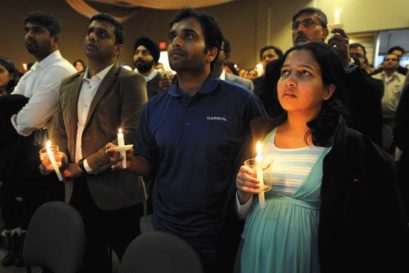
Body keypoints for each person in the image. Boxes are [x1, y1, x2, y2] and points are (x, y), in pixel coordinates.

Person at [106, 7, 266, 273]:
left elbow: (261, 159)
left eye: (189, 36)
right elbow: (149, 163)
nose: (176, 43)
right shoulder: (155, 107)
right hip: (165, 224)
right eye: (173, 36)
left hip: (220, 231)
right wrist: (129, 162)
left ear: (211, 52)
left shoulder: (240, 101)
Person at [235, 42, 408, 273]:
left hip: (309, 256)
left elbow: (373, 225)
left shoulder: (347, 147)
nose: (290, 80)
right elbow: (240, 212)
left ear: (328, 90)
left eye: (304, 73)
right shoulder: (260, 135)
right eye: (285, 72)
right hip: (257, 249)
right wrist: (243, 195)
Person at [42, 13, 147, 273]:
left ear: (118, 49)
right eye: (90, 32)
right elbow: (59, 131)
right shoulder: (68, 84)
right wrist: (57, 157)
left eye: (102, 34)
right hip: (76, 189)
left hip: (118, 191)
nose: (92, 36)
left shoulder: (129, 81)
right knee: (90, 260)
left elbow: (131, 134)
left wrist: (85, 166)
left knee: (132, 260)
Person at [260, 7, 383, 146]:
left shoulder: (337, 62)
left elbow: (369, 104)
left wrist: (346, 64)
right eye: (295, 26)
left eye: (308, 24)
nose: (299, 30)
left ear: (325, 31)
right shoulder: (276, 67)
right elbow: (269, 107)